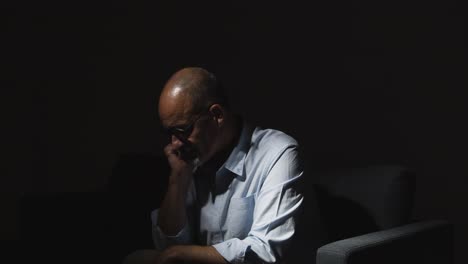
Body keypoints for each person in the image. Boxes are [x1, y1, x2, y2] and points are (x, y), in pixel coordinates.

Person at [123, 67, 305, 264]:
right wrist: (178, 179)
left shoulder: (278, 153)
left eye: (183, 130)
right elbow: (167, 246)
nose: (174, 143)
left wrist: (177, 255)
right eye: (169, 133)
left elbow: (265, 252)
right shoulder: (190, 160)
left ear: (217, 115)